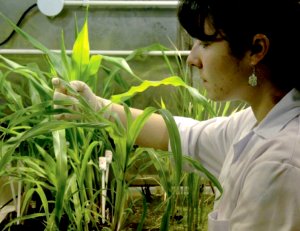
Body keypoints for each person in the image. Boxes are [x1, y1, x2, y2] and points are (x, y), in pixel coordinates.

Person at [52, 0, 300, 230]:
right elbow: (177, 134)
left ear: (256, 49)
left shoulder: (280, 165)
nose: (192, 59)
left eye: (205, 43)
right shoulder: (256, 121)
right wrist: (96, 108)